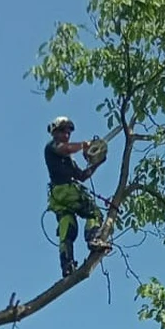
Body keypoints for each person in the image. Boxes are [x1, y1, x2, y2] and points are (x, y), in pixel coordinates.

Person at [44, 116, 109, 277]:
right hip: (64, 191)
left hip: (58, 197)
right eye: (63, 131)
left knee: (67, 225)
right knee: (93, 212)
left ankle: (67, 264)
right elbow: (64, 149)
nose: (67, 135)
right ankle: (94, 238)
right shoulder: (52, 147)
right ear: (55, 132)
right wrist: (84, 145)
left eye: (68, 132)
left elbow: (82, 176)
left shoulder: (68, 160)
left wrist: (97, 163)